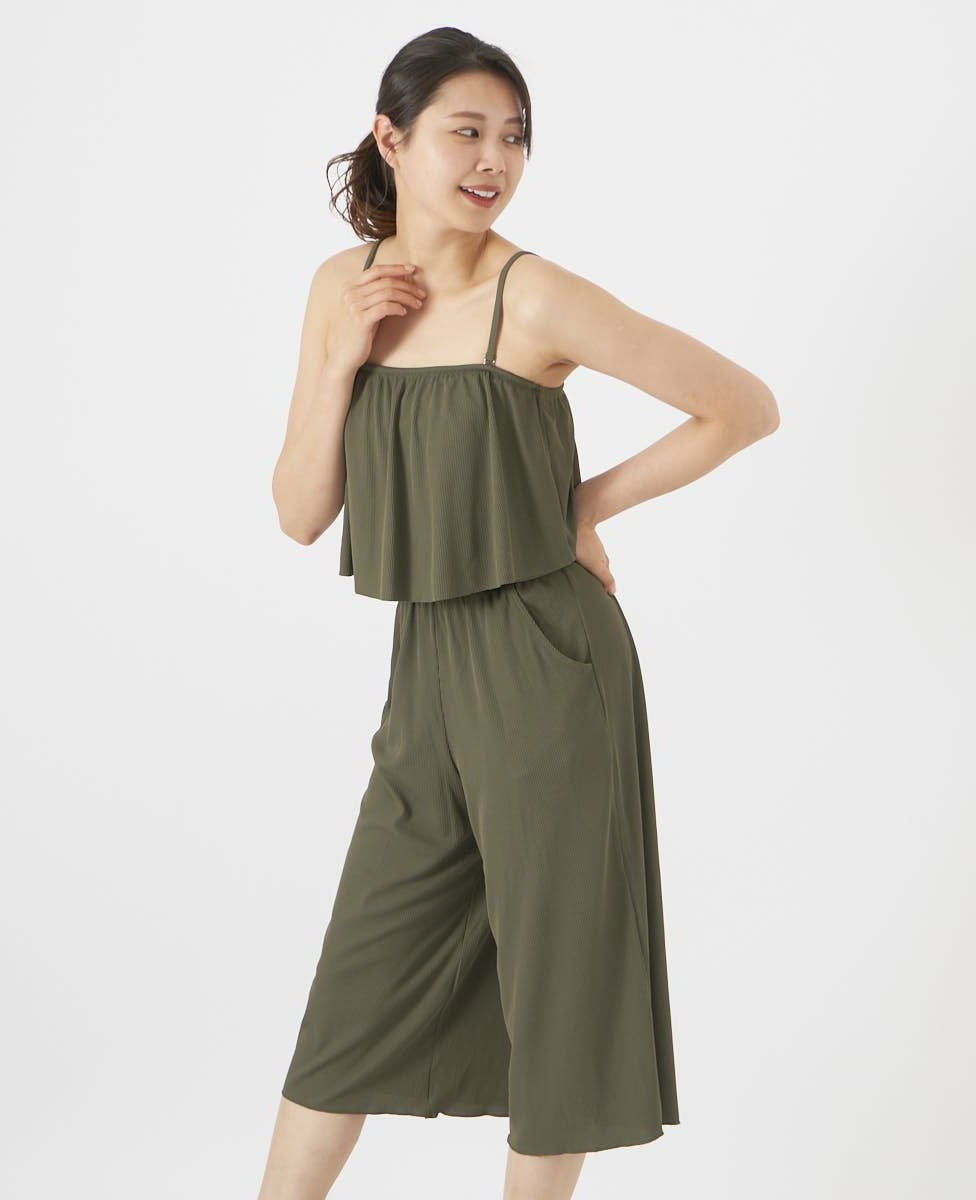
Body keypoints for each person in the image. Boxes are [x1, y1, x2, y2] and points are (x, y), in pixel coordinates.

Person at [261, 25, 779, 1200]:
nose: (494, 158)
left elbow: (741, 406)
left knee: (558, 987)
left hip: (548, 667)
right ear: (392, 138)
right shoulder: (341, 288)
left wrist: (576, 506)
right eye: (466, 131)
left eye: (514, 136)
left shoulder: (533, 293)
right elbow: (298, 513)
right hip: (426, 678)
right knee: (355, 987)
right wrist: (341, 360)